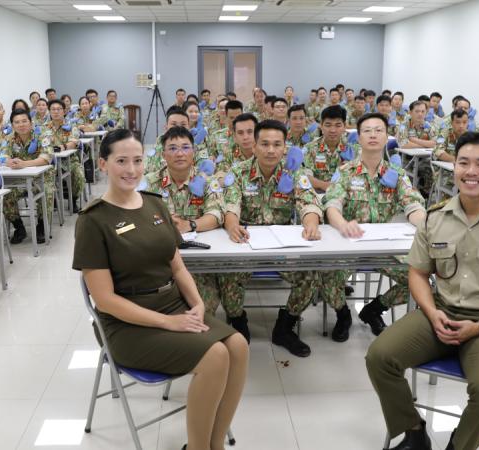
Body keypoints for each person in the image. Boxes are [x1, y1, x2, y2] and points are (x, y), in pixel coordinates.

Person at [366, 131, 479, 450]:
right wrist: (431, 312)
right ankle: (413, 433)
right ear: (454, 167)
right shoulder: (434, 218)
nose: (471, 171)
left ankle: (459, 445)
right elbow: (418, 274)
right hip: (439, 315)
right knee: (380, 356)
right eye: (463, 162)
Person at [73, 128, 247, 450]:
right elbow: (105, 300)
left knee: (238, 346)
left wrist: (197, 305)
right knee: (216, 356)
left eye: (137, 160)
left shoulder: (155, 204)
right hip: (126, 325)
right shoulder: (92, 221)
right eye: (121, 160)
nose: (131, 169)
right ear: (103, 164)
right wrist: (170, 323)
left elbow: (177, 265)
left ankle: (215, 443)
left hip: (172, 305)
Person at [219, 120, 322, 357]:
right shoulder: (238, 172)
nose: (271, 150)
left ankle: (285, 326)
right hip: (246, 245)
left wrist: (310, 224)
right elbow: (231, 204)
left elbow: (310, 203)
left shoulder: (294, 173)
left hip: (281, 248)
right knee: (226, 276)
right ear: (254, 146)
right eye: (264, 144)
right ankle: (238, 321)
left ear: (285, 147)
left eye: (277, 144)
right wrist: (232, 225)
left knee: (310, 274)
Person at [321, 112, 426, 339]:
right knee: (326, 277)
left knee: (419, 281)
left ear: (387, 136)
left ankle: (375, 309)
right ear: (358, 138)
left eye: (379, 130)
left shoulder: (395, 174)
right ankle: (343, 314)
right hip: (348, 244)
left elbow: (412, 204)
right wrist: (342, 224)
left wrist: (424, 224)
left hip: (383, 248)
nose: (373, 135)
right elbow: (332, 203)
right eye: (367, 130)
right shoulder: (345, 171)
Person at [140, 126, 228, 326]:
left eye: (185, 147)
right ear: (163, 154)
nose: (179, 153)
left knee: (205, 308)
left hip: (199, 263)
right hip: (160, 263)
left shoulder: (207, 181)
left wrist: (190, 224)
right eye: (172, 148)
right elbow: (138, 217)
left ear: (194, 152)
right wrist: (163, 223)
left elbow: (216, 214)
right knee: (160, 311)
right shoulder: (150, 182)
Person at [0, 108, 54, 244]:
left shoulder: (43, 134)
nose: (21, 125)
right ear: (13, 125)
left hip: (42, 178)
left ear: (31, 123)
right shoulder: (9, 138)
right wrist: (8, 161)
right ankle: (19, 227)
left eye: (24, 121)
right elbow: (2, 156)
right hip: (20, 179)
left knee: (48, 192)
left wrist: (24, 164)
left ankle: (42, 226)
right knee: (5, 194)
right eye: (17, 122)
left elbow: (46, 157)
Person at [303, 105, 360, 193]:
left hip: (346, 195)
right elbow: (304, 176)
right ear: (321, 126)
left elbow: (359, 178)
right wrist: (325, 186)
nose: (333, 130)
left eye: (338, 125)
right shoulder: (310, 148)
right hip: (317, 195)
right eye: (328, 125)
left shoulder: (353, 149)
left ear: (344, 126)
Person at [44, 99, 85, 213]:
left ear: (64, 111)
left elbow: (74, 142)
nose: (56, 112)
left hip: (69, 160)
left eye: (59, 109)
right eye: (53, 109)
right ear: (49, 111)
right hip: (51, 162)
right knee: (44, 177)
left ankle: (73, 199)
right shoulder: (44, 127)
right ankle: (53, 200)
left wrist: (62, 147)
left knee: (79, 175)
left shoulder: (72, 125)